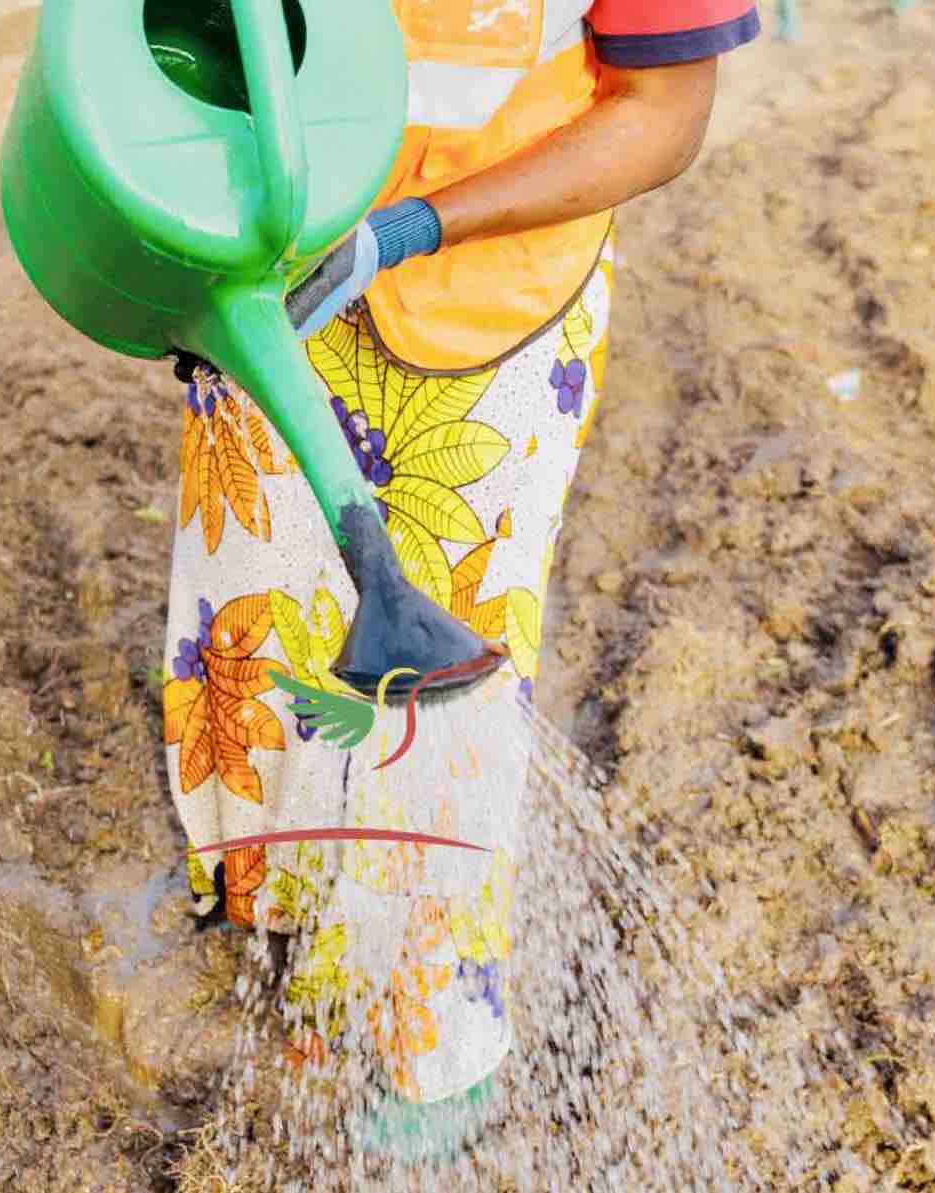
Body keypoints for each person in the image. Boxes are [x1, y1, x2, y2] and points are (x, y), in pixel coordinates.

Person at [161, 0, 762, 1159]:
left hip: (493, 294)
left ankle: (429, 1041)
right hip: (265, 272)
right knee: (251, 635)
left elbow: (664, 110)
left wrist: (413, 227)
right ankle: (286, 952)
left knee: (442, 691)